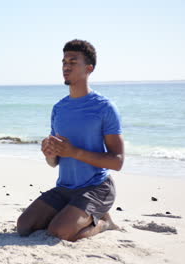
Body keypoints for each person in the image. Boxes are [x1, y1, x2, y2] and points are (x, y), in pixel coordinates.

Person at [16, 39, 124, 241]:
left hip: (97, 187)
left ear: (89, 68)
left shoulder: (104, 108)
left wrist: (74, 152)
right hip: (65, 188)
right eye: (64, 62)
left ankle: (104, 222)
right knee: (24, 226)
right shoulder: (59, 108)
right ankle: (74, 214)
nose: (66, 66)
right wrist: (49, 154)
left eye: (73, 62)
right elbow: (54, 162)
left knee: (60, 232)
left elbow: (117, 161)